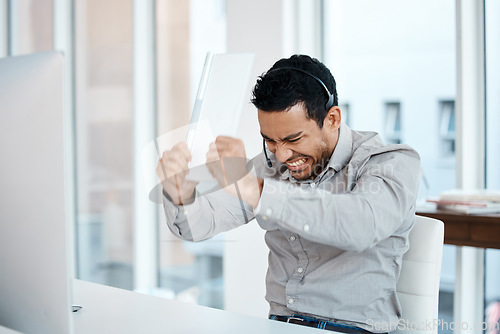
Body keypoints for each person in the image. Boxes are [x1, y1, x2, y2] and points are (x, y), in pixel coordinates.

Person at [156, 54, 420, 333]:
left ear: (332, 119)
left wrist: (253, 189)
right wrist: (181, 195)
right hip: (278, 324)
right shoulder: (269, 166)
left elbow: (360, 226)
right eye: (270, 140)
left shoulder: (390, 163)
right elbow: (198, 226)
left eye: (293, 139)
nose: (281, 154)